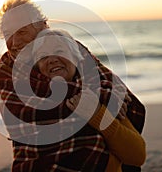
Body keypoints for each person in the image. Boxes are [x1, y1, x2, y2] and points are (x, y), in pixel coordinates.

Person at [0, 0, 146, 171]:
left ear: (43, 26)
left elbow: (114, 83)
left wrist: (106, 97)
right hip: (39, 162)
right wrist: (100, 99)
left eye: (22, 31)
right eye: (7, 34)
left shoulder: (69, 49)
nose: (14, 42)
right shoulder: (5, 70)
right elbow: (35, 111)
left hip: (103, 156)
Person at [30, 29, 146, 171]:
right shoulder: (32, 104)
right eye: (43, 56)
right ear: (38, 68)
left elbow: (137, 156)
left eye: (60, 51)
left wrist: (96, 114)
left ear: (76, 58)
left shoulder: (99, 92)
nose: (52, 59)